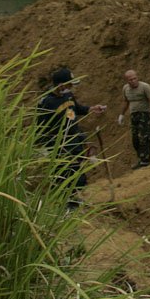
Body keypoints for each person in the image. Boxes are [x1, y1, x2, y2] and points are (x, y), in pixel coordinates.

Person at [37, 68, 107, 208]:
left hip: (74, 139)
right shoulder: (46, 102)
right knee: (63, 174)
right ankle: (65, 206)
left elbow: (77, 108)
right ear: (60, 85)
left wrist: (91, 109)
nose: (71, 88)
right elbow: (40, 126)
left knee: (78, 174)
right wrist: (43, 147)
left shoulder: (68, 96)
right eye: (69, 85)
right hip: (59, 144)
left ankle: (74, 200)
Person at [117, 70, 150, 169]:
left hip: (144, 114)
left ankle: (145, 161)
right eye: (130, 80)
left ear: (137, 77)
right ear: (127, 81)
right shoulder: (125, 89)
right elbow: (125, 101)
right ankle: (141, 158)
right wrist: (122, 114)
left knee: (144, 138)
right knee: (135, 139)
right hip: (134, 115)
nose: (133, 81)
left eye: (134, 78)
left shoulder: (145, 87)